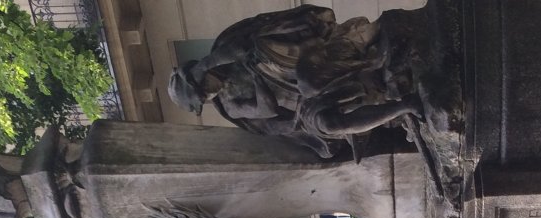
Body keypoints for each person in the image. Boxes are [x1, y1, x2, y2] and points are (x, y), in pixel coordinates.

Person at [167, 4, 422, 157]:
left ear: (199, 76)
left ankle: (373, 55)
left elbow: (242, 47)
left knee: (311, 77)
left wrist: (207, 64)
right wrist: (255, 76)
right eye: (204, 99)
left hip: (304, 60)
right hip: (304, 105)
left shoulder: (223, 51)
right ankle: (404, 106)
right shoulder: (230, 105)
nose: (209, 96)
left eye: (203, 91)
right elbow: (267, 109)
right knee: (329, 123)